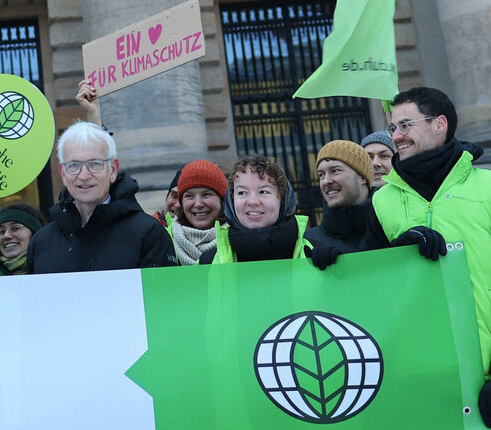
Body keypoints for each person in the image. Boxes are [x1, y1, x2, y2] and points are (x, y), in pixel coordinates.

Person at [370, 87, 491, 382]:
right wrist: (398, 254)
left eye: (405, 125)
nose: (396, 136)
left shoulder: (487, 186)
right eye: (392, 127)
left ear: (439, 125)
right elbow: (373, 290)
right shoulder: (381, 201)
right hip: (418, 378)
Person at [29, 122, 175, 273]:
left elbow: (163, 295)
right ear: (63, 174)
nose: (84, 175)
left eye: (94, 164)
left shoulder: (149, 234)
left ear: (113, 170)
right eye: (74, 165)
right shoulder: (41, 243)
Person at [200, 155, 308, 264]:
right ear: (232, 201)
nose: (252, 201)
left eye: (263, 191)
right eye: (242, 192)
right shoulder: (206, 263)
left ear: (283, 199)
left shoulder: (313, 254)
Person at [302, 140, 384, 269]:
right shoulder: (308, 243)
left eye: (335, 171)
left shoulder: (390, 229)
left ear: (362, 177)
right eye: (321, 175)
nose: (326, 181)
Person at [171, 160, 226, 265]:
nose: (198, 204)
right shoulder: (165, 241)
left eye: (206, 195)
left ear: (222, 200)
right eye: (189, 196)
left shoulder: (239, 239)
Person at [0, 203, 45, 276]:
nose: (6, 236)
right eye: (2, 231)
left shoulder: (53, 268)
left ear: (35, 234)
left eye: (15, 228)